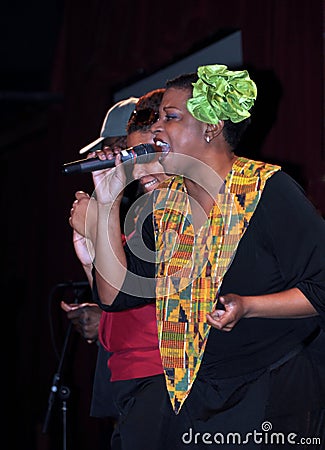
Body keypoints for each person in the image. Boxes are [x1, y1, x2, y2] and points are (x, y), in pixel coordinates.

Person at [81, 63, 325, 449]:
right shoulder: (164, 207)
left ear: (210, 128)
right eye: (158, 117)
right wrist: (108, 202)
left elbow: (321, 287)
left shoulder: (268, 189)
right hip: (195, 392)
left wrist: (249, 306)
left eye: (170, 117)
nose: (157, 128)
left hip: (272, 386)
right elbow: (115, 297)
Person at [66, 88, 169, 450]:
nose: (107, 157)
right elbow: (116, 295)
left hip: (158, 373)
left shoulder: (164, 207)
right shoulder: (133, 207)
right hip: (125, 374)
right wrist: (90, 258)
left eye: (116, 148)